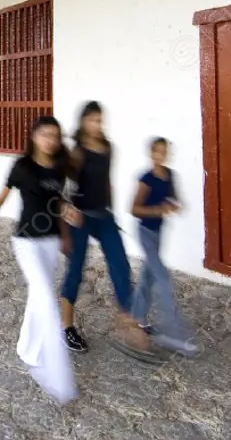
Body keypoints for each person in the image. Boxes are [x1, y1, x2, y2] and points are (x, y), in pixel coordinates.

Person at [0, 116, 79, 404]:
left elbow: (57, 203)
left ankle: (26, 349)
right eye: (45, 135)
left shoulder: (58, 169)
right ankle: (54, 371)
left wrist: (66, 231)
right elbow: (0, 199)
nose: (51, 140)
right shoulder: (22, 167)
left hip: (50, 241)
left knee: (37, 297)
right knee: (45, 295)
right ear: (34, 136)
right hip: (26, 242)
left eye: (56, 136)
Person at [59, 101, 150, 353]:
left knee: (120, 263)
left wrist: (111, 211)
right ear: (83, 122)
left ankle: (129, 320)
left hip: (103, 216)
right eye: (92, 120)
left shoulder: (108, 147)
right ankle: (67, 328)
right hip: (79, 218)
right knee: (74, 271)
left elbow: (107, 181)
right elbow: (62, 186)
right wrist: (64, 223)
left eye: (100, 120)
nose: (97, 125)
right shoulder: (77, 152)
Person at [130, 137, 200, 357]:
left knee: (148, 277)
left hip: (159, 233)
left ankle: (137, 319)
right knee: (163, 279)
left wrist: (174, 206)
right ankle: (175, 335)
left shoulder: (170, 175)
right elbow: (134, 209)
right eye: (157, 151)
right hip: (145, 233)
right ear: (151, 154)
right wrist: (158, 209)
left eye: (165, 151)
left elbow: (175, 199)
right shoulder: (146, 179)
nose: (161, 155)